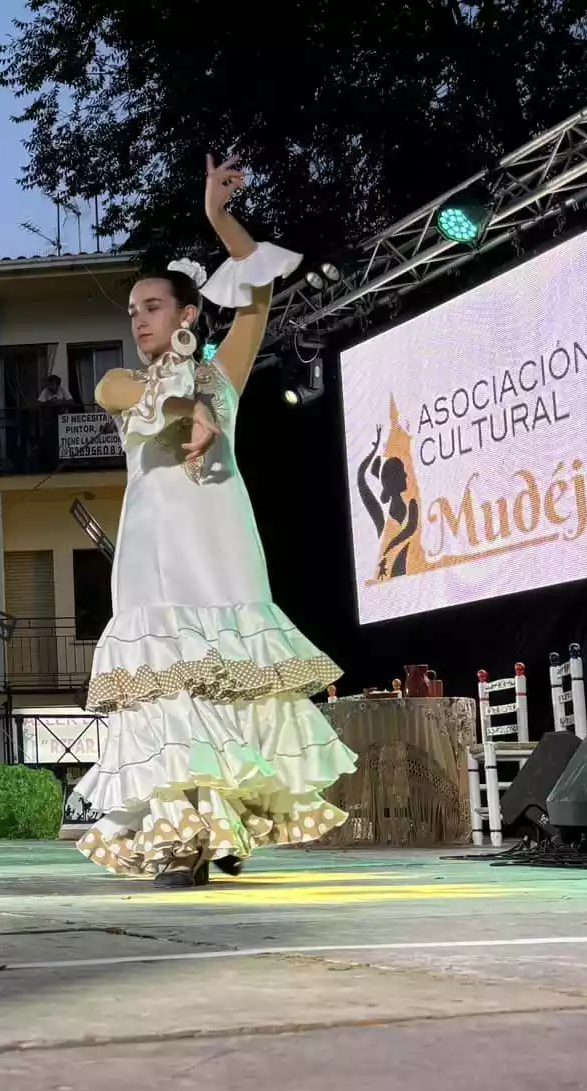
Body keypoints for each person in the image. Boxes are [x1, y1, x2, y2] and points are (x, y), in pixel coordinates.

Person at [70, 154, 358, 887]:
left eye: (153, 306)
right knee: (168, 685)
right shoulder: (124, 380)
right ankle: (182, 826)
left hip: (223, 550)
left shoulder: (221, 371)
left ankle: (224, 817)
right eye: (132, 310)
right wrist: (187, 408)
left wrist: (219, 219)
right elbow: (125, 393)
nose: (139, 319)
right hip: (154, 559)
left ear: (189, 312)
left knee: (233, 682)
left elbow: (256, 295)